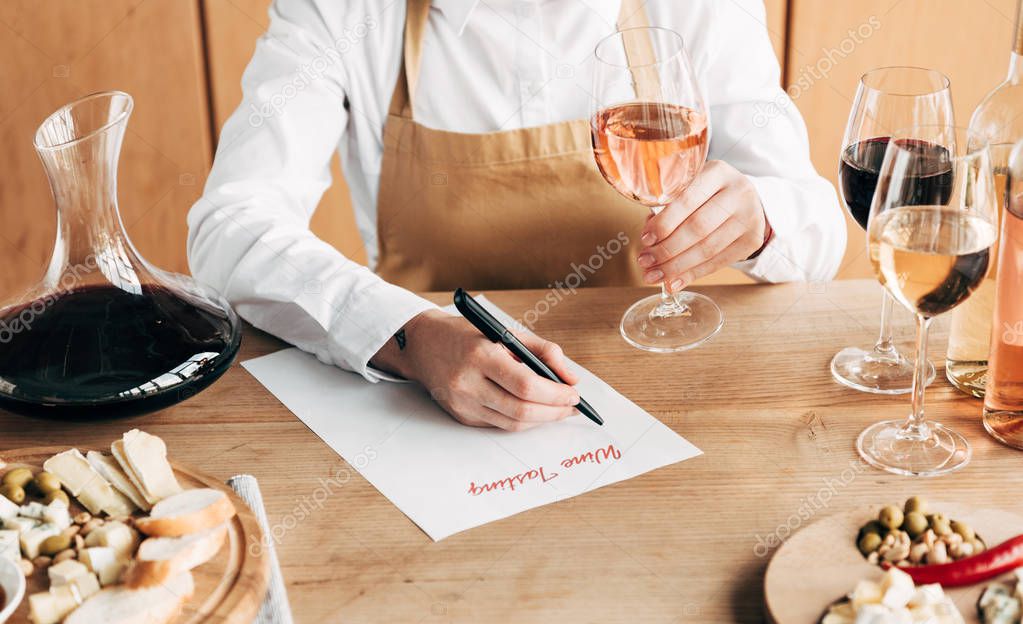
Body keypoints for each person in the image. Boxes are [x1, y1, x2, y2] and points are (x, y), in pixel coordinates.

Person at [188, 0, 845, 431]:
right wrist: (410, 336)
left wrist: (760, 218)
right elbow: (229, 227)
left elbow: (816, 231)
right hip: (418, 410)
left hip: (648, 404)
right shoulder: (343, 12)